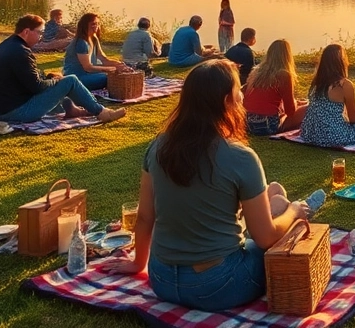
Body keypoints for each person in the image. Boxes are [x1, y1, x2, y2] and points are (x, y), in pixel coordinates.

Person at [101, 59, 311, 311]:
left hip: (162, 279)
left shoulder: (158, 146)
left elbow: (145, 216)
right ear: (226, 102)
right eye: (238, 91)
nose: (242, 96)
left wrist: (138, 263)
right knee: (273, 231)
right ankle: (283, 205)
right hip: (217, 286)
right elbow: (264, 237)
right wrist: (295, 212)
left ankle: (276, 202)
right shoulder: (240, 157)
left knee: (271, 201)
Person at [0, 14, 126, 125]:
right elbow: (37, 87)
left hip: (2, 110)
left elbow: (27, 79)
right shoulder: (20, 52)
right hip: (15, 112)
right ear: (26, 32)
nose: (41, 37)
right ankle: (103, 113)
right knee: (70, 80)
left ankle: (72, 109)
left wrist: (49, 77)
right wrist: (55, 81)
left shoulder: (8, 45)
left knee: (58, 84)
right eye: (40, 33)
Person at [243, 39, 307, 136]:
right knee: (308, 108)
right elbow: (290, 111)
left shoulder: (256, 72)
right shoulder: (284, 75)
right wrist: (296, 104)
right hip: (267, 125)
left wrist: (295, 102)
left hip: (247, 123)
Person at [62, 12, 131, 90]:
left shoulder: (94, 38)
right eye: (93, 24)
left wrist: (118, 64)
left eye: (97, 24)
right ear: (85, 25)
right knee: (110, 77)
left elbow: (103, 59)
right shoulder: (81, 42)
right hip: (77, 77)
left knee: (117, 73)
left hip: (89, 74)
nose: (96, 26)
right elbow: (87, 67)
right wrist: (111, 69)